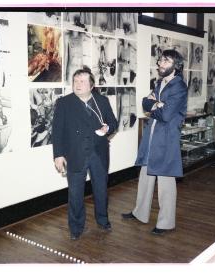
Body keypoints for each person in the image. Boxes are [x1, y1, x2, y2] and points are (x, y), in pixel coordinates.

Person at [122, 49, 187, 235]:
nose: (160, 64)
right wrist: (155, 104)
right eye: (160, 60)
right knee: (145, 176)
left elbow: (166, 114)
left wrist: (155, 105)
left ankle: (166, 223)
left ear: (176, 65)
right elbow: (144, 102)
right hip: (152, 135)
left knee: (166, 181)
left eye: (165, 61)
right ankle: (140, 212)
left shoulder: (179, 86)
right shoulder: (160, 83)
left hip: (166, 139)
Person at [52, 67, 117, 240]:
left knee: (101, 190)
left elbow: (113, 122)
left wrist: (107, 128)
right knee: (75, 193)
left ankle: (103, 221)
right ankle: (76, 228)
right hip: (75, 155)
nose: (78, 84)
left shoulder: (102, 101)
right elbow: (56, 131)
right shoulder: (64, 103)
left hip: (99, 154)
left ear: (91, 85)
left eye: (82, 81)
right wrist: (58, 155)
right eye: (75, 81)